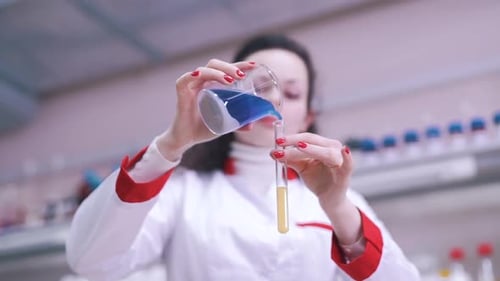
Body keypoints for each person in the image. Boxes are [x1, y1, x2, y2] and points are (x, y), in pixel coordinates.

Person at [66, 34, 421, 281]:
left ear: (309, 116)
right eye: (259, 88)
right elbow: (92, 263)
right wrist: (170, 146)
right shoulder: (186, 194)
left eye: (291, 92)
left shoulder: (341, 203)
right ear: (229, 98)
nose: (273, 101)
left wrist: (337, 207)